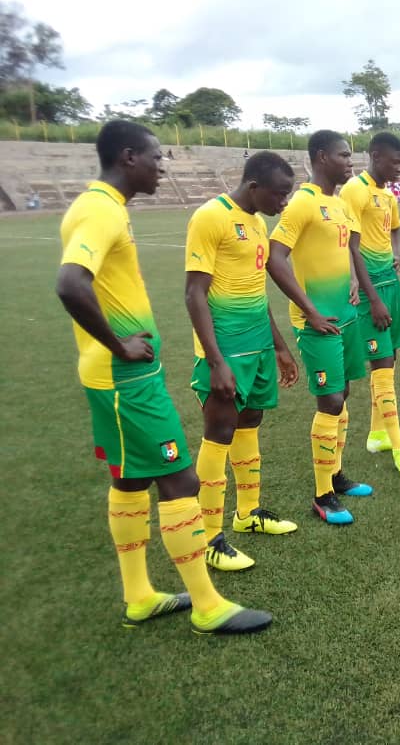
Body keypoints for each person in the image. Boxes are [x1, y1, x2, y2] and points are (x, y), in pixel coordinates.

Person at [55, 120, 271, 634]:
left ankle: (139, 595)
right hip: (126, 380)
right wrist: (119, 344)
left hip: (112, 377)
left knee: (130, 479)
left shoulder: (102, 206)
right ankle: (206, 604)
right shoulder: (101, 209)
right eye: (157, 156)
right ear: (129, 157)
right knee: (181, 479)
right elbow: (69, 283)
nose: (162, 165)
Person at [185, 151, 301, 573]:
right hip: (225, 349)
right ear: (255, 187)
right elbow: (194, 293)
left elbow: (256, 290)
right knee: (219, 433)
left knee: (250, 424)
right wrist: (215, 361)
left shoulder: (256, 221)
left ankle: (247, 514)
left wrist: (280, 346)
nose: (284, 203)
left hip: (257, 345)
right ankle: (209, 538)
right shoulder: (210, 217)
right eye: (280, 194)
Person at [267, 130, 371, 524]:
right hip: (318, 322)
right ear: (321, 156)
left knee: (342, 394)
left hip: (345, 314)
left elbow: (346, 249)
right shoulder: (302, 204)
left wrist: (356, 281)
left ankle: (337, 475)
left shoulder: (339, 204)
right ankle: (322, 494)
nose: (350, 161)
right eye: (344, 155)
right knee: (329, 400)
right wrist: (308, 310)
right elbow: (275, 259)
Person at [339, 132, 400, 477]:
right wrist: (370, 296)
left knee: (389, 360)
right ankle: (398, 447)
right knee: (382, 361)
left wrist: (398, 252)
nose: (399, 168)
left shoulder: (386, 194)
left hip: (390, 282)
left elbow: (396, 231)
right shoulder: (354, 191)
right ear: (375, 156)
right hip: (371, 288)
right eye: (394, 161)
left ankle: (377, 435)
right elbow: (351, 246)